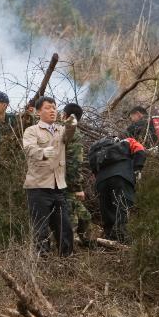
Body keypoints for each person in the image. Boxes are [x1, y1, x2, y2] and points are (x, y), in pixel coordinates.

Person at [22, 97, 74, 256]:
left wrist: (72, 124)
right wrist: (42, 152)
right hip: (38, 186)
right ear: (38, 112)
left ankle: (67, 260)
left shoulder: (60, 129)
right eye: (47, 108)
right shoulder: (32, 131)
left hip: (58, 186)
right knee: (40, 227)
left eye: (54, 107)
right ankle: (41, 262)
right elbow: (28, 148)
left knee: (64, 226)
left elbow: (69, 136)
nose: (52, 110)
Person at [87, 132, 148, 241]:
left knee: (107, 209)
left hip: (101, 181)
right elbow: (140, 151)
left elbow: (93, 169)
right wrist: (137, 169)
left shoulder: (97, 151)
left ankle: (110, 237)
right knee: (122, 207)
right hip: (121, 177)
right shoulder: (128, 141)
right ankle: (122, 238)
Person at [62, 103, 93, 242]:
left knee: (82, 215)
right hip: (66, 183)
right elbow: (74, 164)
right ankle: (70, 248)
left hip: (65, 182)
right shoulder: (71, 133)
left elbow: (73, 163)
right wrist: (78, 188)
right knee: (72, 216)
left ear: (66, 115)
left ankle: (82, 241)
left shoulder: (69, 132)